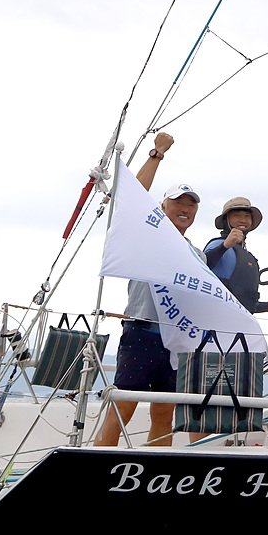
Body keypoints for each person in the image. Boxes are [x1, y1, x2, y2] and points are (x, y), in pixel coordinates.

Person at [95, 132, 196, 447]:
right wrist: (157, 154)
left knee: (165, 413)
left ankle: (156, 469)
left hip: (175, 342)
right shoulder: (148, 234)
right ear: (163, 206)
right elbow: (133, 195)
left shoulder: (198, 255)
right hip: (141, 332)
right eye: (178, 201)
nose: (185, 208)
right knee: (122, 407)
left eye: (191, 204)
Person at [204, 197, 268, 314]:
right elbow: (201, 265)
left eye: (247, 216)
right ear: (226, 220)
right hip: (214, 320)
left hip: (240, 325)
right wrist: (225, 245)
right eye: (237, 215)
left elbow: (246, 303)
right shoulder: (217, 245)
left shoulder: (248, 256)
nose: (243, 220)